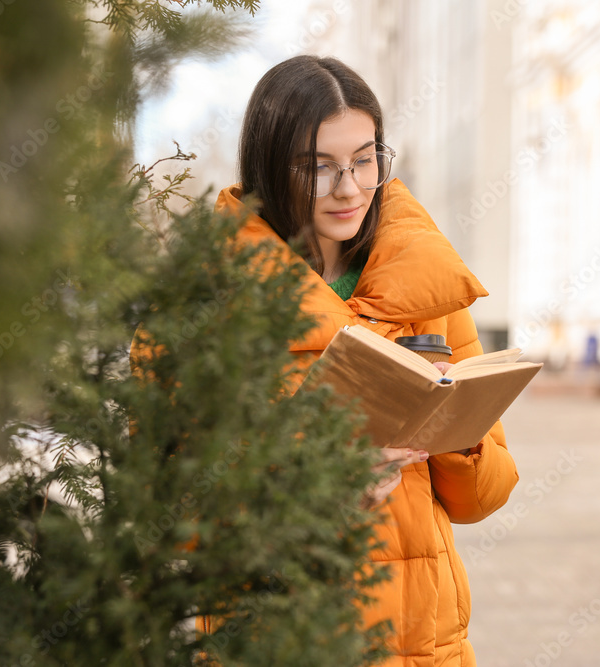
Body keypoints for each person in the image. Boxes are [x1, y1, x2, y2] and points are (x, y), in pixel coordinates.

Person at [214, 55, 518, 666]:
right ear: (270, 167)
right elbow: (178, 512)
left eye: (363, 159)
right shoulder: (212, 301)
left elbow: (482, 499)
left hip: (425, 646)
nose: (349, 187)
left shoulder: (426, 286)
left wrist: (454, 431)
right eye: (317, 168)